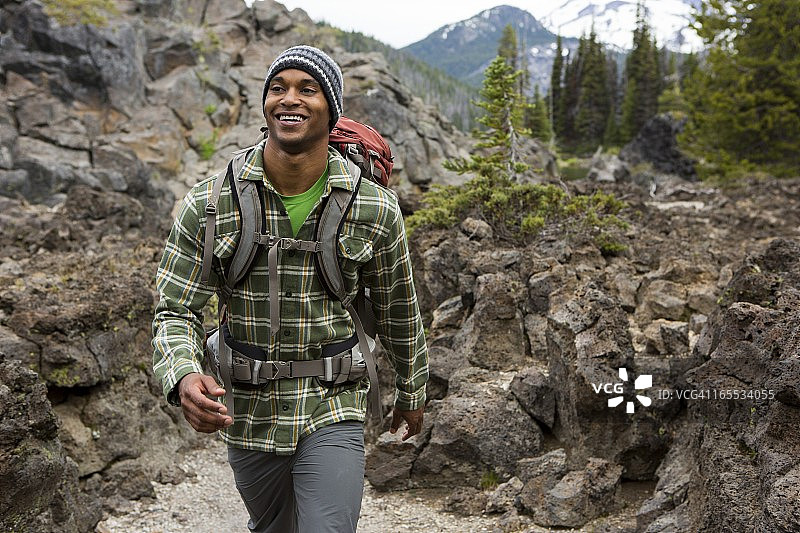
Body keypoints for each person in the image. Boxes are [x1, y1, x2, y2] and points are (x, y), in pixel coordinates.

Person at [152, 45, 428, 533]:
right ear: (265, 104)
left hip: (334, 399)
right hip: (247, 410)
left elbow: (400, 311)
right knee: (274, 526)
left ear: (332, 108)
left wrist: (412, 391)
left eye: (308, 89)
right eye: (278, 88)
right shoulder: (211, 204)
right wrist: (183, 374)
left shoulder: (375, 209)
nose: (289, 99)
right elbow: (176, 310)